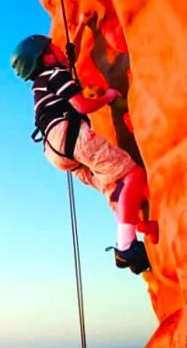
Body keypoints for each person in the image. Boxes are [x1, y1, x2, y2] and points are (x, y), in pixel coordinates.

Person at [10, 34, 151, 274]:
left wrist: (83, 25)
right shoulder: (55, 74)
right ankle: (126, 247)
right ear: (45, 56)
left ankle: (139, 228)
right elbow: (82, 105)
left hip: (55, 150)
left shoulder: (40, 83)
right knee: (134, 176)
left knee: (114, 188)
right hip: (70, 135)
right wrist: (109, 97)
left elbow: (67, 61)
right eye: (53, 47)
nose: (59, 50)